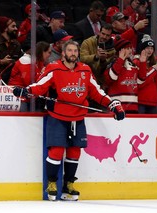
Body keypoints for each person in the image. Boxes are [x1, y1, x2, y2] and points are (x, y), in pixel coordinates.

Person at [12, 40, 125, 201]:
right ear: (63, 53)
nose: (73, 53)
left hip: (78, 117)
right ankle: (52, 183)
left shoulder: (85, 70)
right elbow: (40, 86)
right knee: (56, 151)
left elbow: (97, 92)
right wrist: (25, 91)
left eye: (75, 50)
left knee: (74, 152)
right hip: (58, 116)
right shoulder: (54, 68)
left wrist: (113, 105)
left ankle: (68, 185)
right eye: (70, 50)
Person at [104, 36, 147, 113]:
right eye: (127, 48)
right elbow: (111, 78)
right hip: (117, 107)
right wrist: (120, 60)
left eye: (130, 48)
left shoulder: (133, 66)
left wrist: (143, 63)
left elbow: (140, 81)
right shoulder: (112, 63)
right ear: (120, 50)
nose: (130, 50)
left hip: (133, 106)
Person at [8, 41, 51, 111]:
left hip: (30, 96)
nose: (50, 55)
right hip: (18, 95)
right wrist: (42, 74)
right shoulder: (25, 60)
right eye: (49, 52)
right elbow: (30, 81)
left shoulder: (39, 61)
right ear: (42, 51)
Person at [133, 34, 157, 113]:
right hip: (141, 100)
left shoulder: (154, 62)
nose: (150, 51)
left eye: (151, 48)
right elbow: (140, 82)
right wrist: (154, 70)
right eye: (147, 48)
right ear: (142, 49)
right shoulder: (136, 61)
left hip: (152, 100)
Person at [80, 23, 115, 88]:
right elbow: (82, 59)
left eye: (107, 35)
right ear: (99, 32)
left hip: (101, 82)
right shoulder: (87, 42)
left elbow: (105, 70)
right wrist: (96, 56)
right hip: (86, 78)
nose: (104, 37)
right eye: (103, 34)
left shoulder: (112, 50)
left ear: (111, 36)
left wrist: (103, 61)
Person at [0, 16, 22, 84]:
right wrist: (1, 62)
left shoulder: (17, 44)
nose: (16, 28)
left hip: (13, 78)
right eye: (13, 26)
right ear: (5, 28)